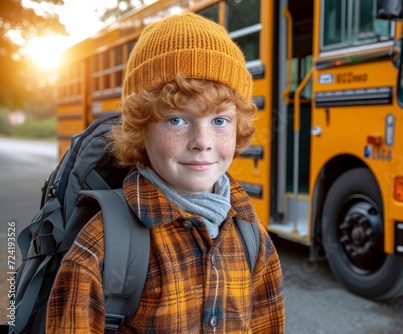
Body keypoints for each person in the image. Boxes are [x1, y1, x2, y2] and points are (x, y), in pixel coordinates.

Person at [46, 13, 285, 333]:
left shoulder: (252, 238)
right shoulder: (104, 244)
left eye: (219, 121)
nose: (202, 142)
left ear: (238, 126)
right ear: (140, 128)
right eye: (177, 120)